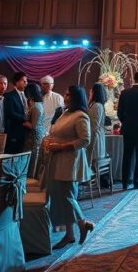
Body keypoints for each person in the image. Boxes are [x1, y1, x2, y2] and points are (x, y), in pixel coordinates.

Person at [41, 86, 95, 247]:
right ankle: (69, 234)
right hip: (56, 159)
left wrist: (62, 146)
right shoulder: (65, 113)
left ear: (75, 97)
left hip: (70, 160)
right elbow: (54, 132)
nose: (64, 96)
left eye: (67, 94)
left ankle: (82, 223)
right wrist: (48, 141)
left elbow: (85, 140)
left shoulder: (81, 116)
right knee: (59, 198)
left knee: (67, 196)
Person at [3, 72, 31, 154]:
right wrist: (25, 118)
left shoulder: (27, 95)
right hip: (14, 132)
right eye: (24, 81)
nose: (26, 83)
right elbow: (10, 113)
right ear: (17, 82)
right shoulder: (9, 96)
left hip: (26, 133)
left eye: (26, 81)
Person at [25, 82, 47, 177]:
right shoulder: (37, 104)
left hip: (35, 135)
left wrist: (23, 122)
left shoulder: (36, 106)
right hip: (37, 134)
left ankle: (31, 176)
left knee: (33, 156)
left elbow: (33, 125)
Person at [86, 83, 107, 166]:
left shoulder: (97, 106)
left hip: (95, 139)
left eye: (91, 91)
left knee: (93, 163)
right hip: (94, 136)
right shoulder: (94, 105)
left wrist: (90, 142)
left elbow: (94, 126)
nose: (89, 92)